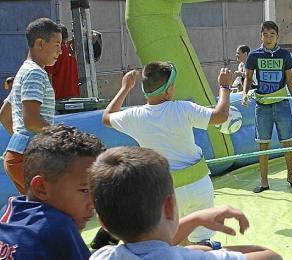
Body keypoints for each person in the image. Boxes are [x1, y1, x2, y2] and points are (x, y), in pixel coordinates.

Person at [102, 62, 231, 245]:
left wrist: (124, 88)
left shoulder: (135, 116)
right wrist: (224, 87)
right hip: (199, 185)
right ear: (169, 90)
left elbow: (107, 118)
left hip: (165, 191)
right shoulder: (183, 108)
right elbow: (220, 116)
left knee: (171, 245)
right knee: (203, 243)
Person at [89, 146, 282, 260]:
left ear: (104, 224)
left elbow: (148, 248)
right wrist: (215, 252)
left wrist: (194, 220)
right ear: (171, 206)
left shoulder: (102, 256)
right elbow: (271, 257)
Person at [0, 124, 106, 259]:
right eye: (84, 190)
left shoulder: (9, 210)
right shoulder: (58, 226)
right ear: (41, 188)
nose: (93, 203)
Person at [0, 18, 62, 194]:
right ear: (40, 43)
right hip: (29, 158)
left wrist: (21, 140)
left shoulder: (23, 71)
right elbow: (32, 121)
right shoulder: (35, 73)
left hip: (16, 156)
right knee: (56, 206)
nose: (60, 51)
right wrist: (61, 133)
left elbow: (4, 116)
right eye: (57, 45)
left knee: (37, 212)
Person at [241, 21, 292, 193]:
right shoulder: (254, 55)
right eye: (265, 34)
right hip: (262, 106)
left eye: (272, 35)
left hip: (282, 104)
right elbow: (247, 77)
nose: (268, 38)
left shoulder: (284, 54)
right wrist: (245, 93)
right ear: (261, 35)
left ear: (277, 36)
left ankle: (291, 176)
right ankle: (264, 181)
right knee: (263, 144)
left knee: (287, 142)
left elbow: (290, 80)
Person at [45, 24, 80, 100]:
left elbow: (48, 76)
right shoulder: (70, 49)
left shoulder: (54, 52)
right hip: (75, 94)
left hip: (61, 96)